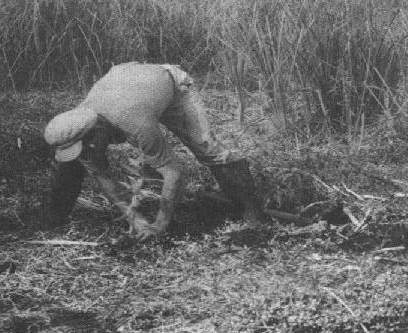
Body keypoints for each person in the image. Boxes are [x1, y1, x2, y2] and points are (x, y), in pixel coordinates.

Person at [43, 62, 267, 239]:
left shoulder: (133, 122)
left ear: (98, 130)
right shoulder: (82, 125)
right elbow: (103, 175)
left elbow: (174, 172)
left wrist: (160, 225)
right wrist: (134, 218)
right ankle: (53, 217)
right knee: (95, 161)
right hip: (128, 85)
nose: (87, 153)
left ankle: (252, 208)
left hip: (170, 84)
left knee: (207, 147)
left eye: (86, 148)